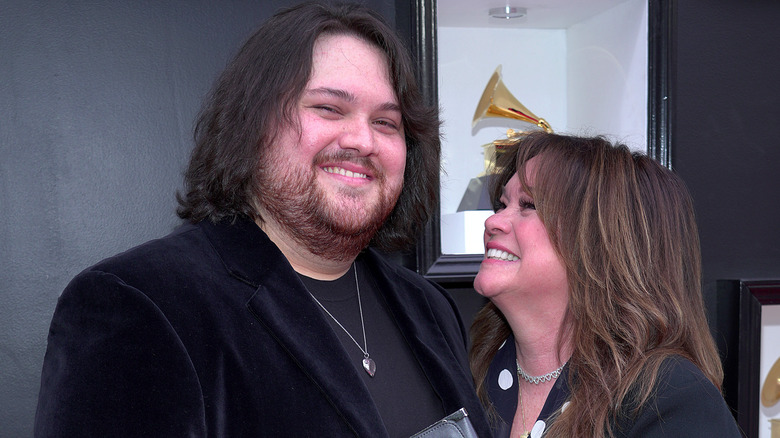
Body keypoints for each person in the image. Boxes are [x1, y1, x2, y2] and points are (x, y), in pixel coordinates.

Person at [34, 3, 490, 437]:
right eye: (329, 108)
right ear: (252, 125)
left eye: (387, 123)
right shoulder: (137, 305)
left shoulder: (429, 307)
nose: (362, 139)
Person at [469, 132, 742, 437]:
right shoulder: (466, 372)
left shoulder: (669, 400)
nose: (493, 222)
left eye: (528, 205)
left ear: (602, 243)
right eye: (502, 204)